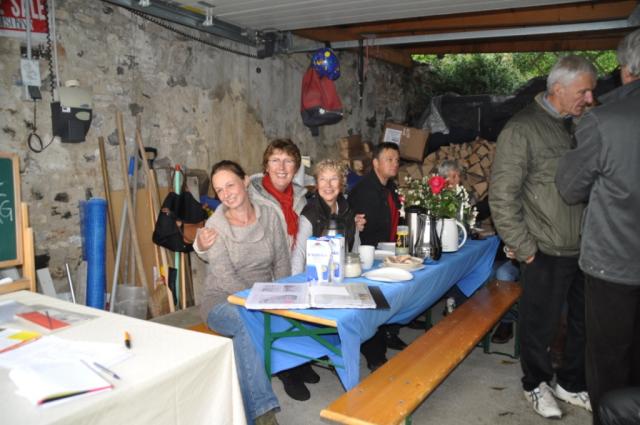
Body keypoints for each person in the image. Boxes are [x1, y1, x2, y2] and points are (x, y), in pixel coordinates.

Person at [489, 55, 597, 419]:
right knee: (540, 325)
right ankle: (535, 384)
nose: (589, 98)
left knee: (582, 323)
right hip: (544, 248)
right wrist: (525, 248)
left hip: (584, 246)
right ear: (558, 89)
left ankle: (571, 383)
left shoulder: (578, 126)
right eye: (583, 92)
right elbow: (502, 195)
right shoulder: (522, 129)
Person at [555, 29, 640, 425]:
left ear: (626, 69)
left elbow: (570, 188)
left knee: (609, 364)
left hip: (614, 266)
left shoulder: (605, 122)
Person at [194, 160, 291, 425]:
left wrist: (284, 297)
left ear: (245, 181)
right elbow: (226, 277)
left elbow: (282, 261)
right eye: (219, 190)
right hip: (222, 300)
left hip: (263, 295)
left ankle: (247, 408)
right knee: (247, 322)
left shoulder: (269, 215)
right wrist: (259, 303)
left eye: (230, 185)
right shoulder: (215, 226)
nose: (226, 194)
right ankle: (262, 414)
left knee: (254, 329)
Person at [247, 139, 319, 401]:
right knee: (279, 320)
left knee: (300, 315)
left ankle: (300, 360)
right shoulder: (252, 196)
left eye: (288, 161)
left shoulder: (300, 197)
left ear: (295, 168)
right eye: (275, 160)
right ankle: (286, 370)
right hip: (266, 272)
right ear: (266, 166)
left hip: (294, 266)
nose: (281, 167)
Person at [348, 142, 406, 369]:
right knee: (375, 301)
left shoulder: (389, 187)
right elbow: (364, 232)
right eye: (389, 159)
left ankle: (391, 331)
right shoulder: (364, 191)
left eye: (397, 160)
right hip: (368, 258)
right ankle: (375, 354)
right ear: (375, 163)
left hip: (387, 253)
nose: (395, 163)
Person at [291, 159, 365, 275]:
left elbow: (355, 252)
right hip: (314, 278)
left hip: (341, 276)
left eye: (334, 179)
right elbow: (298, 255)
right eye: (323, 179)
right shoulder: (310, 214)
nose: (328, 185)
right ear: (317, 184)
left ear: (341, 184)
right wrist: (295, 282)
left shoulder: (348, 212)